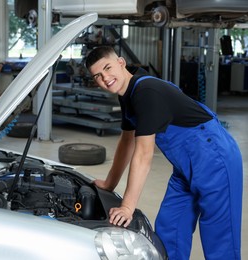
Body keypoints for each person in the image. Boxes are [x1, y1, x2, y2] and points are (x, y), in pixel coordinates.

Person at [85, 46, 243, 260]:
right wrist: (110, 183)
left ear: (121, 63)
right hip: (184, 166)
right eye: (98, 76)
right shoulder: (128, 93)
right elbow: (126, 140)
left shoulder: (146, 91)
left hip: (215, 158)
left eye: (108, 68)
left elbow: (143, 155)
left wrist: (127, 207)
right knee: (170, 226)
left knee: (218, 236)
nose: (105, 78)